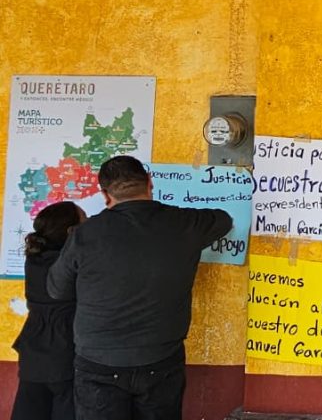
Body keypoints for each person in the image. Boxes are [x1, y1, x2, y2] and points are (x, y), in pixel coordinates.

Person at [48, 156, 233, 420]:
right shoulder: (185, 224)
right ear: (149, 183)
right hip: (160, 359)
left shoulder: (85, 235)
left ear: (105, 195)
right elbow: (223, 220)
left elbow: (57, 290)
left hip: (97, 361)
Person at [11, 201, 86, 420]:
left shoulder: (35, 258)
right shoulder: (72, 263)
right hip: (65, 349)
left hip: (33, 349)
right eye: (85, 219)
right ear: (72, 231)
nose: (89, 224)